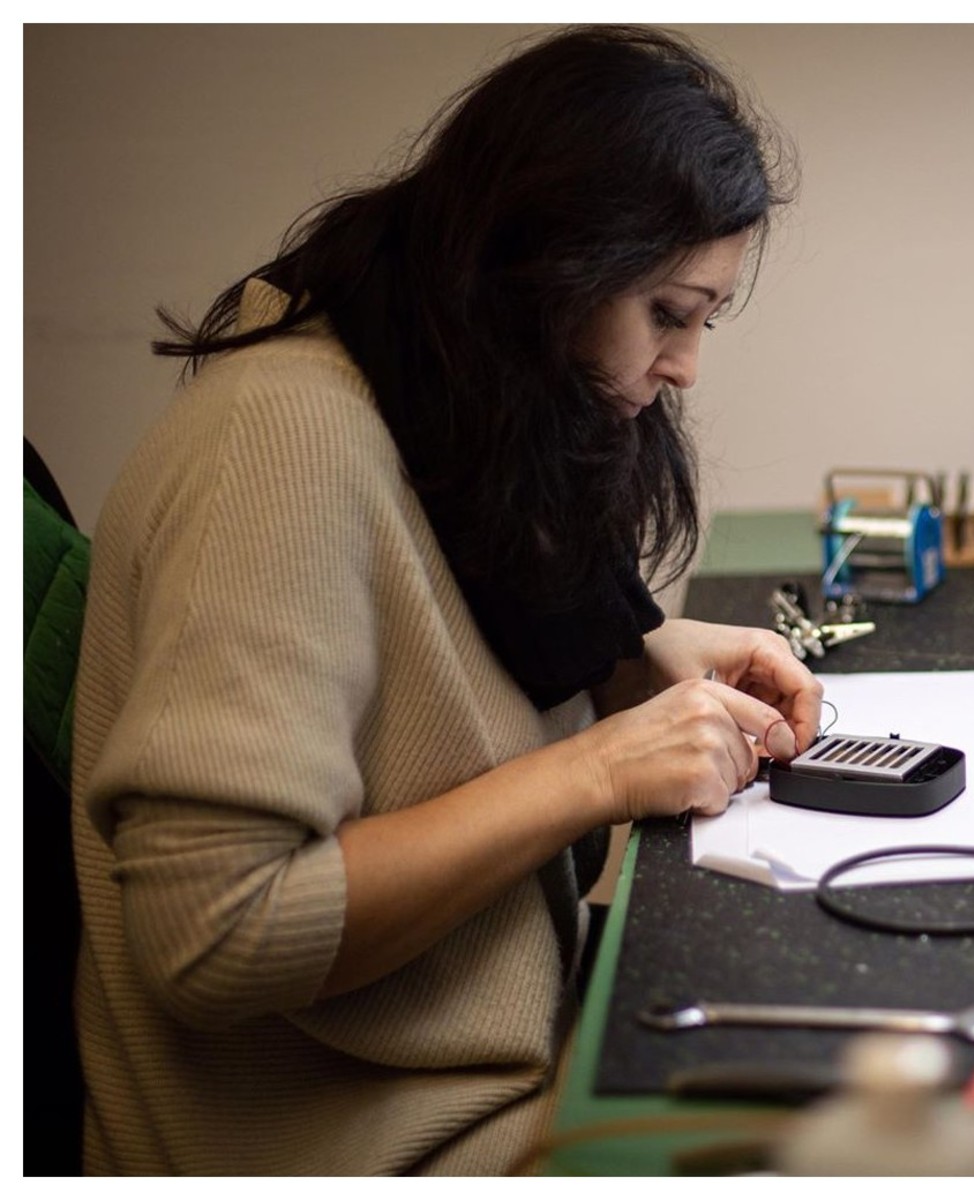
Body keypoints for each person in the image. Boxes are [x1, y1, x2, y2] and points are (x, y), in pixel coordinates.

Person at [71, 24, 822, 1176]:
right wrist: (598, 771)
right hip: (356, 1144)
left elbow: (434, 645)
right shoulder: (282, 444)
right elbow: (220, 936)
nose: (685, 367)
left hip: (497, 1057)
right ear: (550, 266)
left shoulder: (442, 400)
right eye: (668, 313)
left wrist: (640, 656)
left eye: (701, 322)